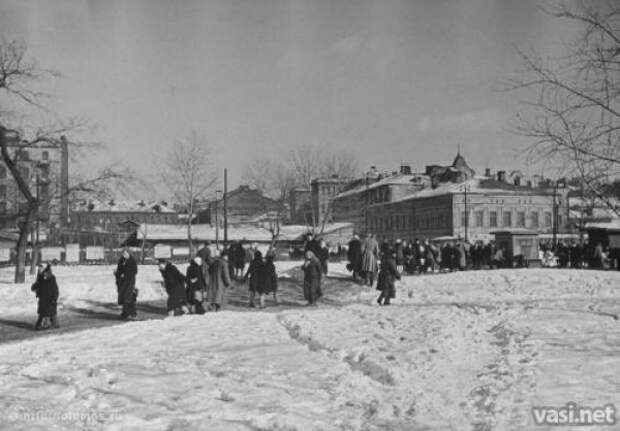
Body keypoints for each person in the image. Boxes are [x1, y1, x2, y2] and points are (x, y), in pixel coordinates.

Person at [31, 263, 59, 330]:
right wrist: (34, 287)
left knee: (47, 313)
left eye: (41, 269)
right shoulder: (41, 278)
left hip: (50, 299)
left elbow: (55, 290)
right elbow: (36, 285)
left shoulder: (51, 279)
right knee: (44, 312)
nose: (39, 270)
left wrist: (54, 299)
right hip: (43, 299)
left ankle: (46, 325)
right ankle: (53, 324)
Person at [114, 250, 138, 320]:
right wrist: (117, 273)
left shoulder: (132, 261)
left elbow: (134, 271)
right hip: (122, 282)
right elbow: (119, 269)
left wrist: (125, 275)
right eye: (123, 253)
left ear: (129, 254)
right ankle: (125, 312)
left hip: (130, 282)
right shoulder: (121, 260)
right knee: (123, 297)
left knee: (128, 298)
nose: (124, 255)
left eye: (126, 253)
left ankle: (132, 313)